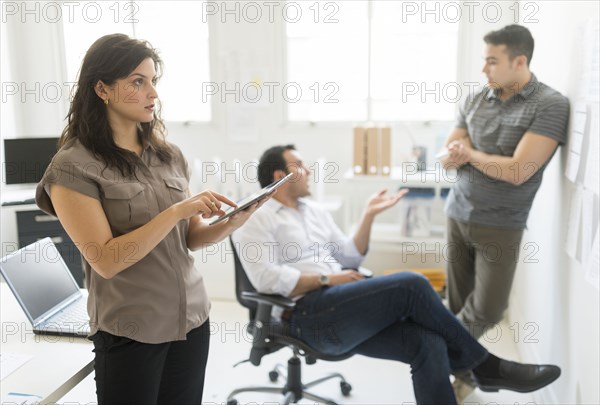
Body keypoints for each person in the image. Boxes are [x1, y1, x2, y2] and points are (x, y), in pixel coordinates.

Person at [231, 144, 562, 404]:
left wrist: (368, 216)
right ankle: (485, 366)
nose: (308, 172)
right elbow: (266, 280)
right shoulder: (253, 218)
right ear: (278, 176)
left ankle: (482, 369)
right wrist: (327, 279)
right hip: (305, 315)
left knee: (427, 342)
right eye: (299, 166)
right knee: (412, 284)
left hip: (339, 305)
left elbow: (350, 254)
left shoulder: (314, 211)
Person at [35, 34, 266, 405]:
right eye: (137, 82)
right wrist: (177, 209)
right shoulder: (71, 168)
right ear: (102, 89)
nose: (152, 94)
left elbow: (188, 238)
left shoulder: (168, 155)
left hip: (191, 321)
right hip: (132, 331)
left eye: (153, 82)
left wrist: (233, 222)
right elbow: (106, 260)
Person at [440, 25, 570, 401]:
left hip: (501, 224)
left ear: (520, 61)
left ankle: (435, 349)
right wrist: (463, 154)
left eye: (492, 61)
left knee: (489, 309)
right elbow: (452, 146)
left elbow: (518, 171)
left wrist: (471, 155)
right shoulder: (477, 98)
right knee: (457, 303)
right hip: (458, 212)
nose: (485, 69)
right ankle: (459, 380)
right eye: (484, 60)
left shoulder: (549, 104)